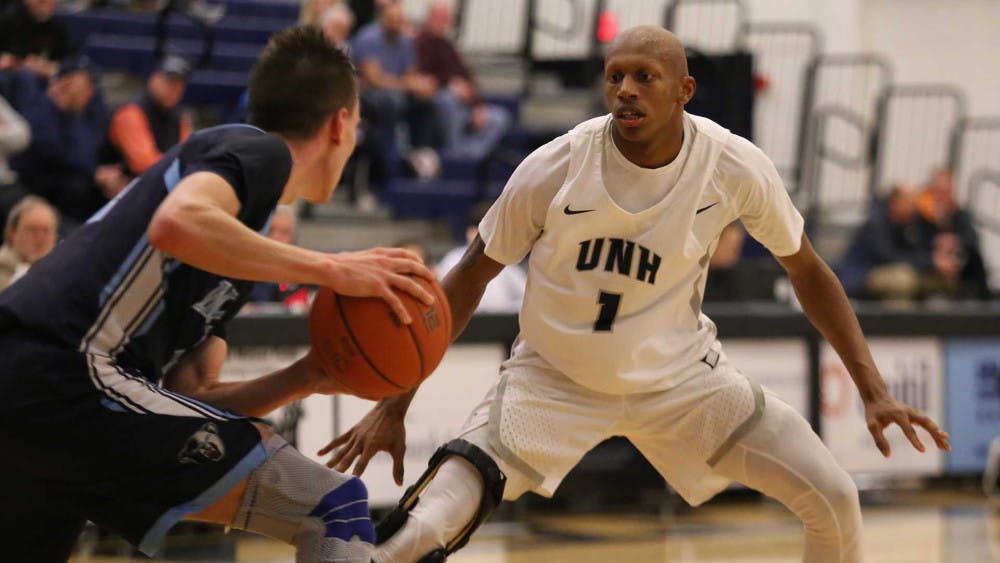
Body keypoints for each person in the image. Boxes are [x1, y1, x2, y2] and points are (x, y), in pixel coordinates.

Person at [323, 26, 951, 563]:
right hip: (553, 380)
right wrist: (395, 406)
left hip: (682, 382)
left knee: (835, 500)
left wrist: (872, 390)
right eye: (614, 77)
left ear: (684, 90)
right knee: (423, 528)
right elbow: (466, 280)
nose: (625, 90)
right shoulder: (554, 166)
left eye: (644, 77)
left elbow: (809, 270)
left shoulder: (733, 165)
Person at [0, 26, 435, 562]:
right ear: (341, 122)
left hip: (35, 394)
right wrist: (333, 268)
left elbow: (194, 397)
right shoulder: (256, 151)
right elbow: (177, 221)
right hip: (67, 370)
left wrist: (308, 376)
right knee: (334, 507)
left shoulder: (237, 246)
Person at [11, 55, 126, 227]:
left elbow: (87, 153)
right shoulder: (39, 112)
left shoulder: (76, 118)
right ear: (67, 83)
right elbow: (55, 155)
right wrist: (94, 173)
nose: (91, 94)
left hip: (72, 183)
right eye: (87, 86)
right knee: (77, 187)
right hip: (37, 189)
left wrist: (105, 173)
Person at [351, 0, 440, 180]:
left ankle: (420, 154)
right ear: (382, 19)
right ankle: (389, 161)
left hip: (396, 92)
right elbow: (374, 79)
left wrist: (421, 85)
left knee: (428, 103)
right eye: (393, 20)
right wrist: (407, 85)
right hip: (367, 95)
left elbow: (409, 74)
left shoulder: (405, 41)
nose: (397, 24)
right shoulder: (369, 37)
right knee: (390, 102)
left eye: (400, 20)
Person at [414, 1, 511, 161]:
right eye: (438, 17)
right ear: (428, 18)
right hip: (437, 97)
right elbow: (421, 74)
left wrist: (477, 106)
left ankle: (470, 155)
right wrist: (449, 85)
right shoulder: (419, 42)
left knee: (500, 117)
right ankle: (455, 152)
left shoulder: (449, 46)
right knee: (448, 99)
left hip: (464, 104)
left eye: (445, 19)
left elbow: (468, 78)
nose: (442, 22)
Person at [837, 184, 932, 301]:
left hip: (883, 269)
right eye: (909, 203)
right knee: (902, 279)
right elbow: (887, 257)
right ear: (895, 202)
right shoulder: (877, 223)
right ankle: (896, 317)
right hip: (861, 273)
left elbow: (916, 250)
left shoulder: (908, 224)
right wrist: (929, 261)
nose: (914, 208)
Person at [105, 55, 193, 177]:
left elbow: (188, 156)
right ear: (154, 80)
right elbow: (143, 164)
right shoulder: (131, 112)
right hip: (126, 187)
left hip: (161, 185)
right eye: (169, 81)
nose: (174, 89)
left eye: (180, 84)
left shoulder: (179, 117)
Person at [435, 203, 525, 314]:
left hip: (498, 324)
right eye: (475, 230)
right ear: (468, 231)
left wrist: (503, 311)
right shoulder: (451, 259)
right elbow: (439, 296)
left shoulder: (506, 262)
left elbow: (526, 298)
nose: (478, 236)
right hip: (460, 322)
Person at [247, 205, 311, 311]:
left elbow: (299, 308)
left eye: (284, 232)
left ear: (292, 239)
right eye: (271, 230)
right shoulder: (244, 271)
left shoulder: (299, 275)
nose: (277, 237)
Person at [0, 0, 76, 79]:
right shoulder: (10, 21)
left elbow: (70, 59)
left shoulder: (57, 26)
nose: (47, 3)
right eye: (41, 1)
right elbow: (19, 58)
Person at [0, 195, 57, 289]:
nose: (40, 238)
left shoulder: (62, 275)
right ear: (12, 233)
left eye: (46, 231)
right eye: (32, 230)